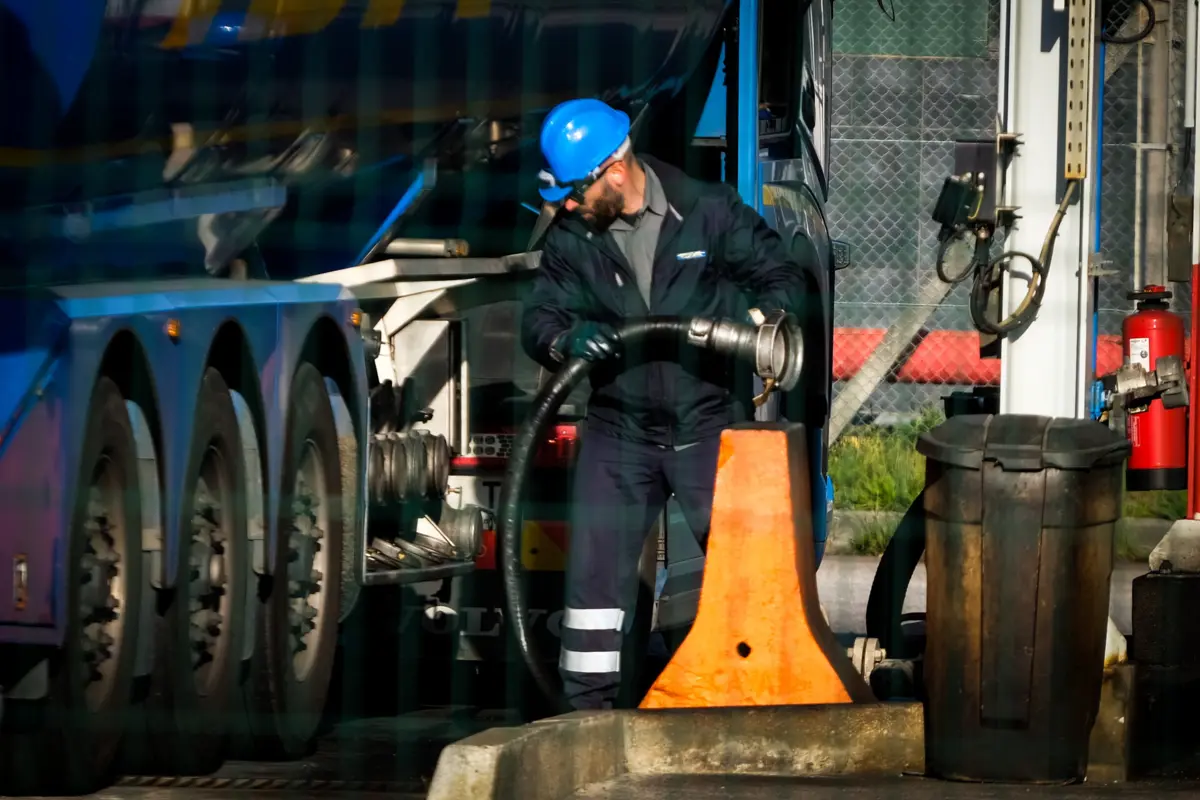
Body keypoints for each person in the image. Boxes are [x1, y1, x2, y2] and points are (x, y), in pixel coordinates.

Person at [520, 97, 810, 711]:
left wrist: (747, 322)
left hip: (708, 427)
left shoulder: (705, 210)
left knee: (745, 575)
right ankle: (587, 718)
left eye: (576, 190)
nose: (567, 204)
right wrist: (562, 339)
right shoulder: (574, 239)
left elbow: (785, 280)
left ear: (615, 171)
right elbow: (540, 316)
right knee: (595, 588)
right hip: (618, 434)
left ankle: (760, 705)